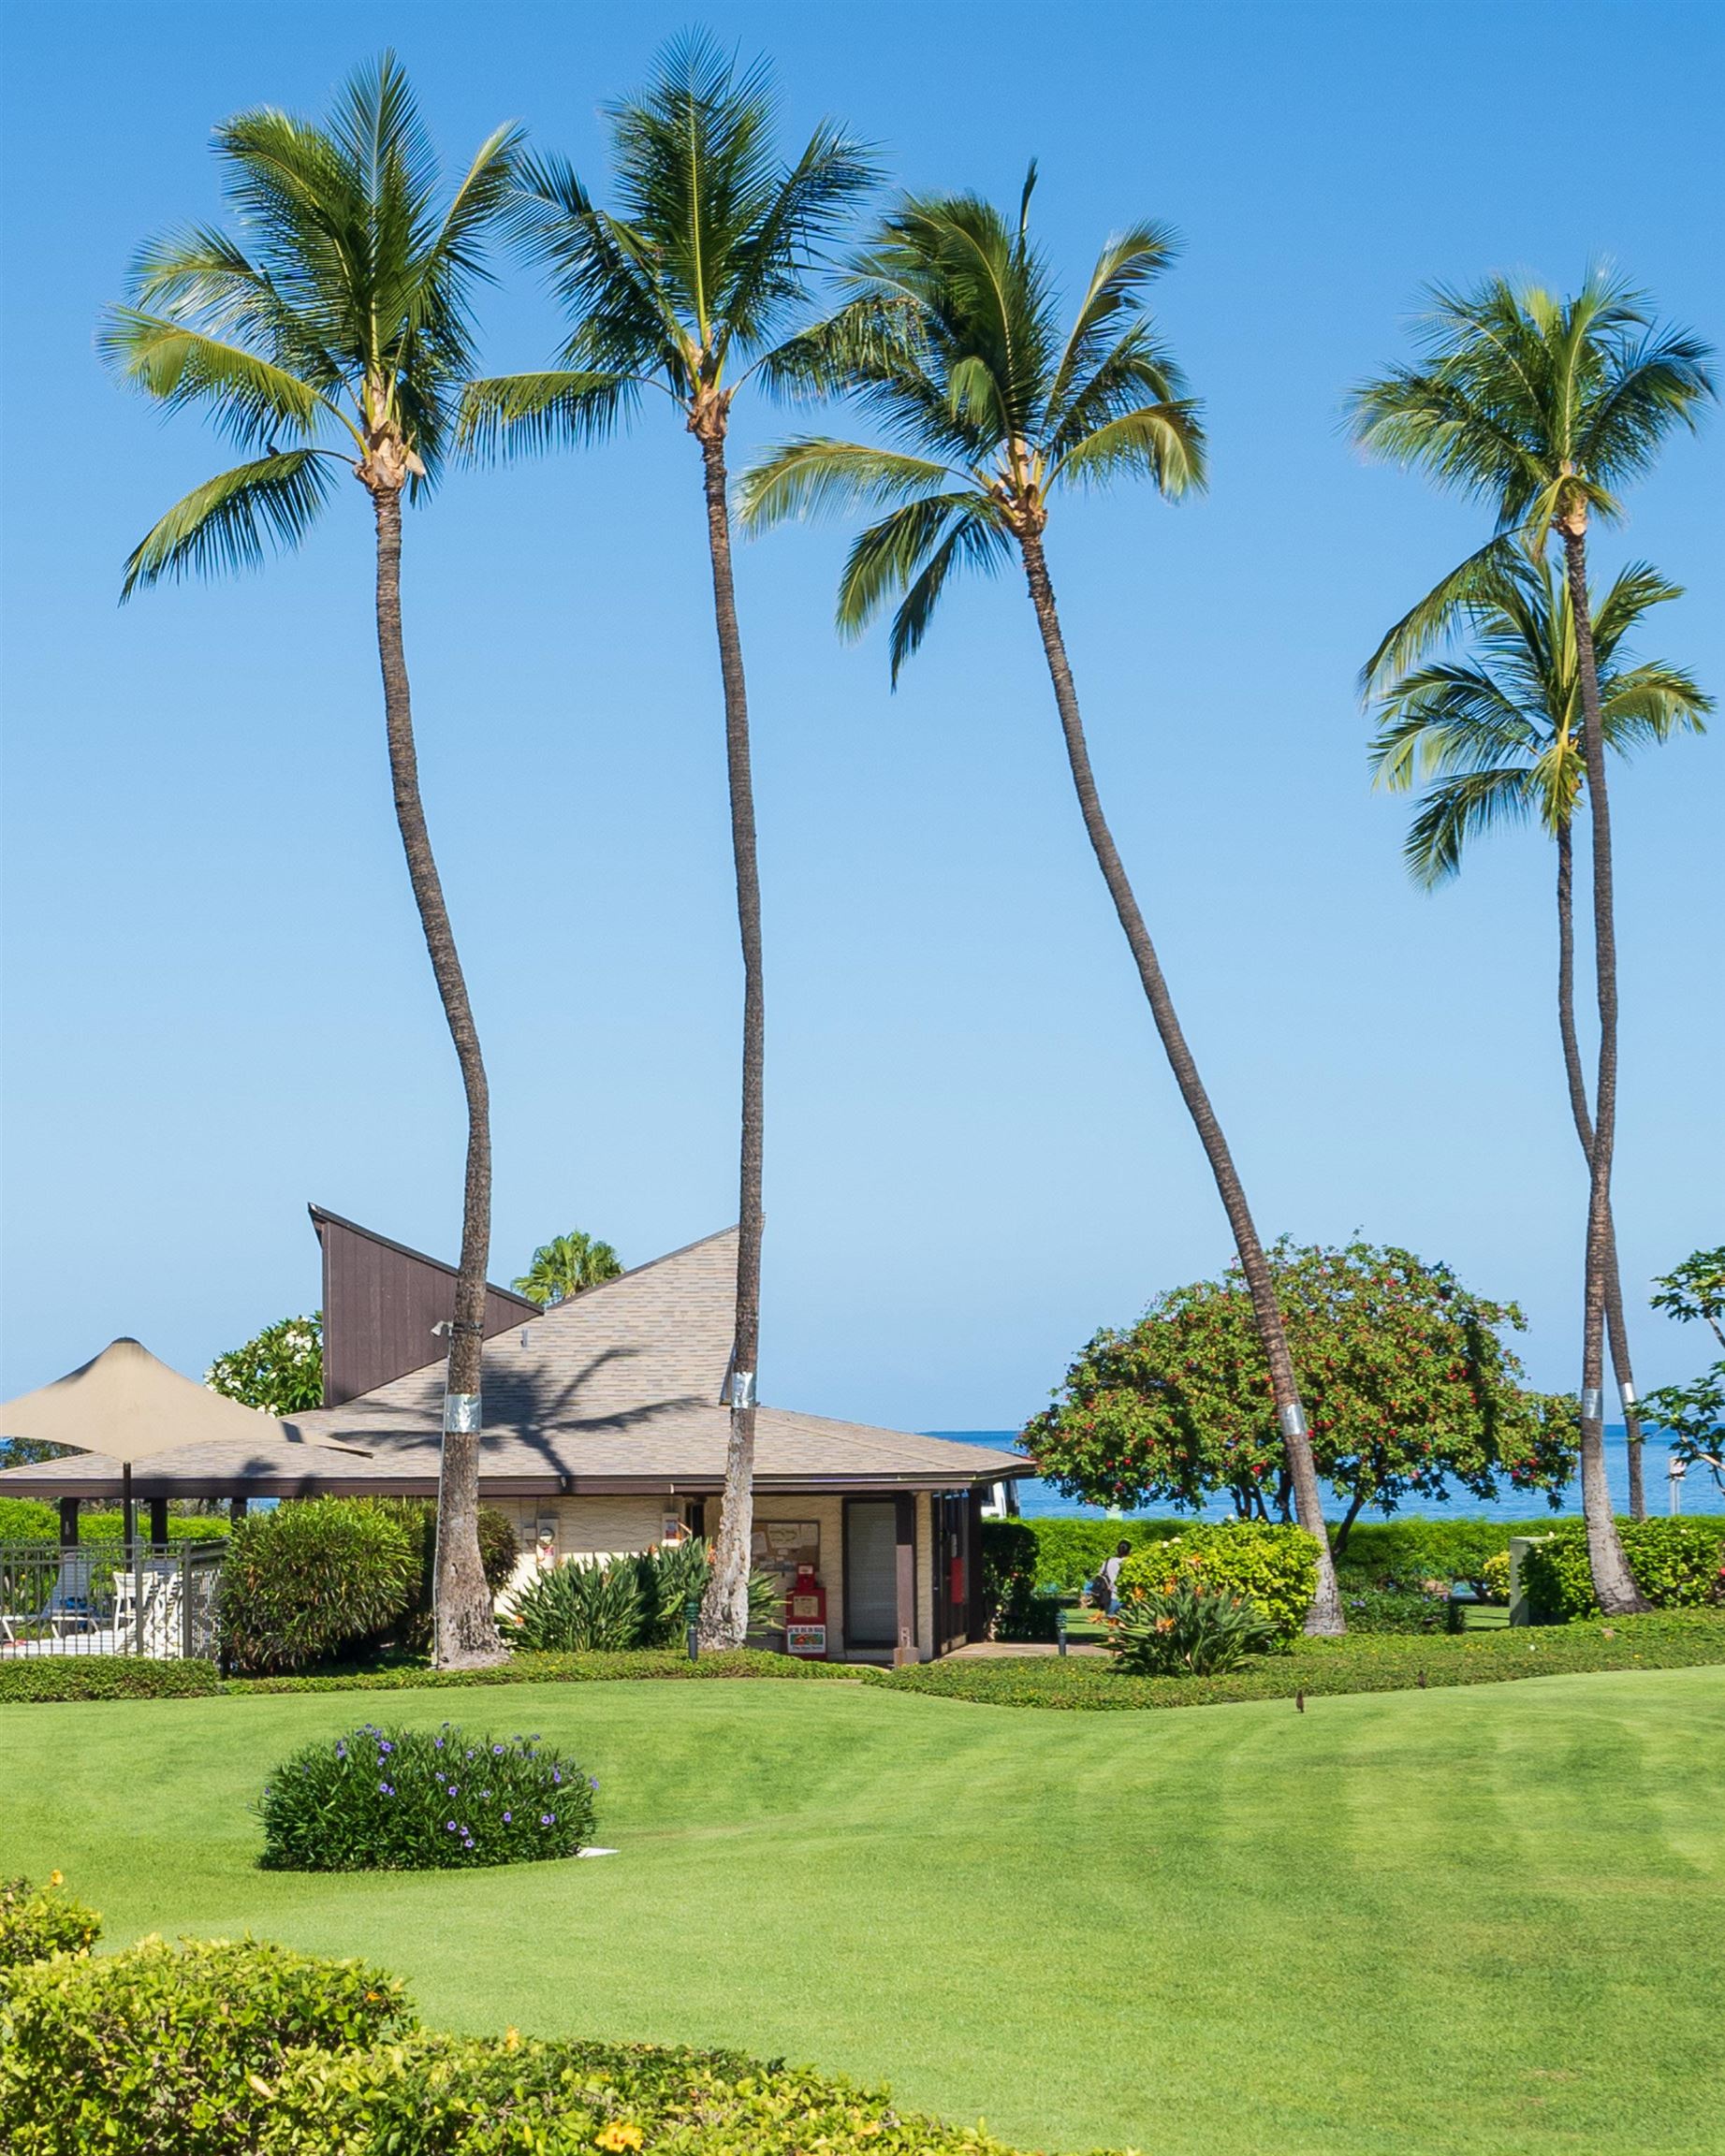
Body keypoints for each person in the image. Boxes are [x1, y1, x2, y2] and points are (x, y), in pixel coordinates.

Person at [1098, 1538, 1133, 1615]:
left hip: (1111, 1596)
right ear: (1129, 1551)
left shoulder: (1108, 1562)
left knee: (1111, 1623)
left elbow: (1100, 1575)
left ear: (1117, 1550)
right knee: (1126, 1624)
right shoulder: (1131, 1563)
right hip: (1127, 1598)